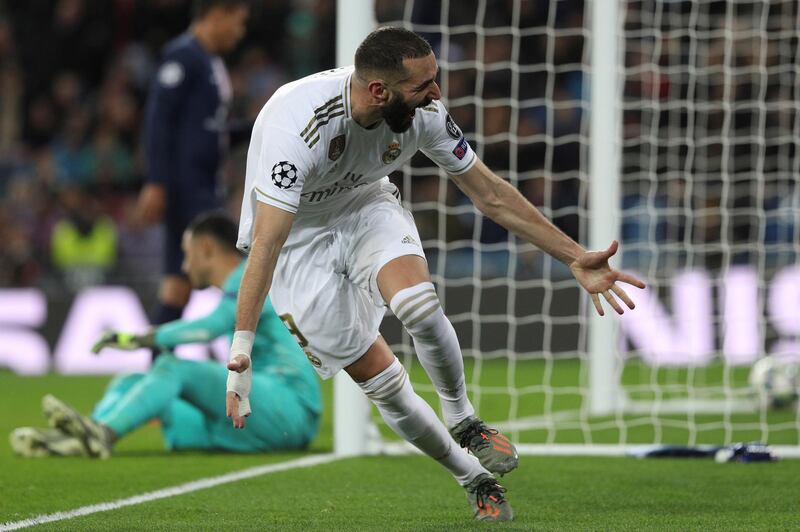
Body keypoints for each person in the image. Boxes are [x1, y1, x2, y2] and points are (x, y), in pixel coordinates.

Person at [228, 27, 646, 522]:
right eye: (425, 84)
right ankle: (473, 477)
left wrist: (573, 255)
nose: (437, 93)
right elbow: (269, 242)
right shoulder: (298, 126)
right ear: (379, 92)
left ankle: (464, 419)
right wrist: (241, 353)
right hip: (297, 242)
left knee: (417, 305)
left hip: (365, 206)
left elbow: (488, 193)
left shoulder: (424, 115)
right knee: (381, 381)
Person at [10, 211, 321, 458]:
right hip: (253, 413)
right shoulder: (237, 283)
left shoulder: (249, 275)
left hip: (289, 409)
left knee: (172, 367)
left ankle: (102, 435)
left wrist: (143, 338)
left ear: (207, 248)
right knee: (132, 382)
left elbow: (208, 328)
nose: (184, 267)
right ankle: (82, 436)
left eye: (187, 255)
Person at [136, 0, 249, 334]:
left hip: (198, 186)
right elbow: (159, 120)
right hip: (189, 190)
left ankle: (156, 371)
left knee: (177, 287)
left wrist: (257, 125)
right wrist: (155, 182)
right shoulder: (183, 56)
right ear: (217, 14)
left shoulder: (209, 62)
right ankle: (252, 358)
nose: (240, 32)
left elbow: (207, 130)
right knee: (238, 272)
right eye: (238, 22)